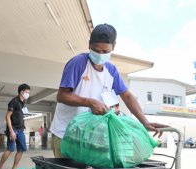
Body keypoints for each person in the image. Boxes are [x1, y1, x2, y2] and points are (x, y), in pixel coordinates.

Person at [49, 23, 167, 158]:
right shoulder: (79, 63)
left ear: (113, 47)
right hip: (65, 134)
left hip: (89, 137)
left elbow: (127, 95)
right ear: (89, 45)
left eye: (105, 51)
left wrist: (144, 122)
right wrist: (89, 102)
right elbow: (62, 96)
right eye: (96, 50)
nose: (100, 54)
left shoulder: (111, 71)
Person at [0, 84, 31, 169]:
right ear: (21, 92)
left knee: (21, 149)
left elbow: (19, 115)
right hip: (13, 129)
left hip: (20, 129)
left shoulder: (22, 102)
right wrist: (11, 131)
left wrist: (22, 125)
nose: (28, 94)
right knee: (10, 149)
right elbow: (7, 116)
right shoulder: (14, 101)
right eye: (27, 92)